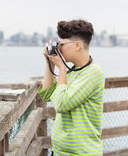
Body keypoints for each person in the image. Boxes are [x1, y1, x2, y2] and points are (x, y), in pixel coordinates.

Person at [38, 19, 105, 156]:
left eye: (61, 44)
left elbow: (61, 104)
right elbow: (47, 94)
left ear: (77, 45)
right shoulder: (72, 71)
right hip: (58, 151)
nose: (58, 48)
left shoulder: (93, 73)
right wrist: (49, 64)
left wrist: (61, 67)